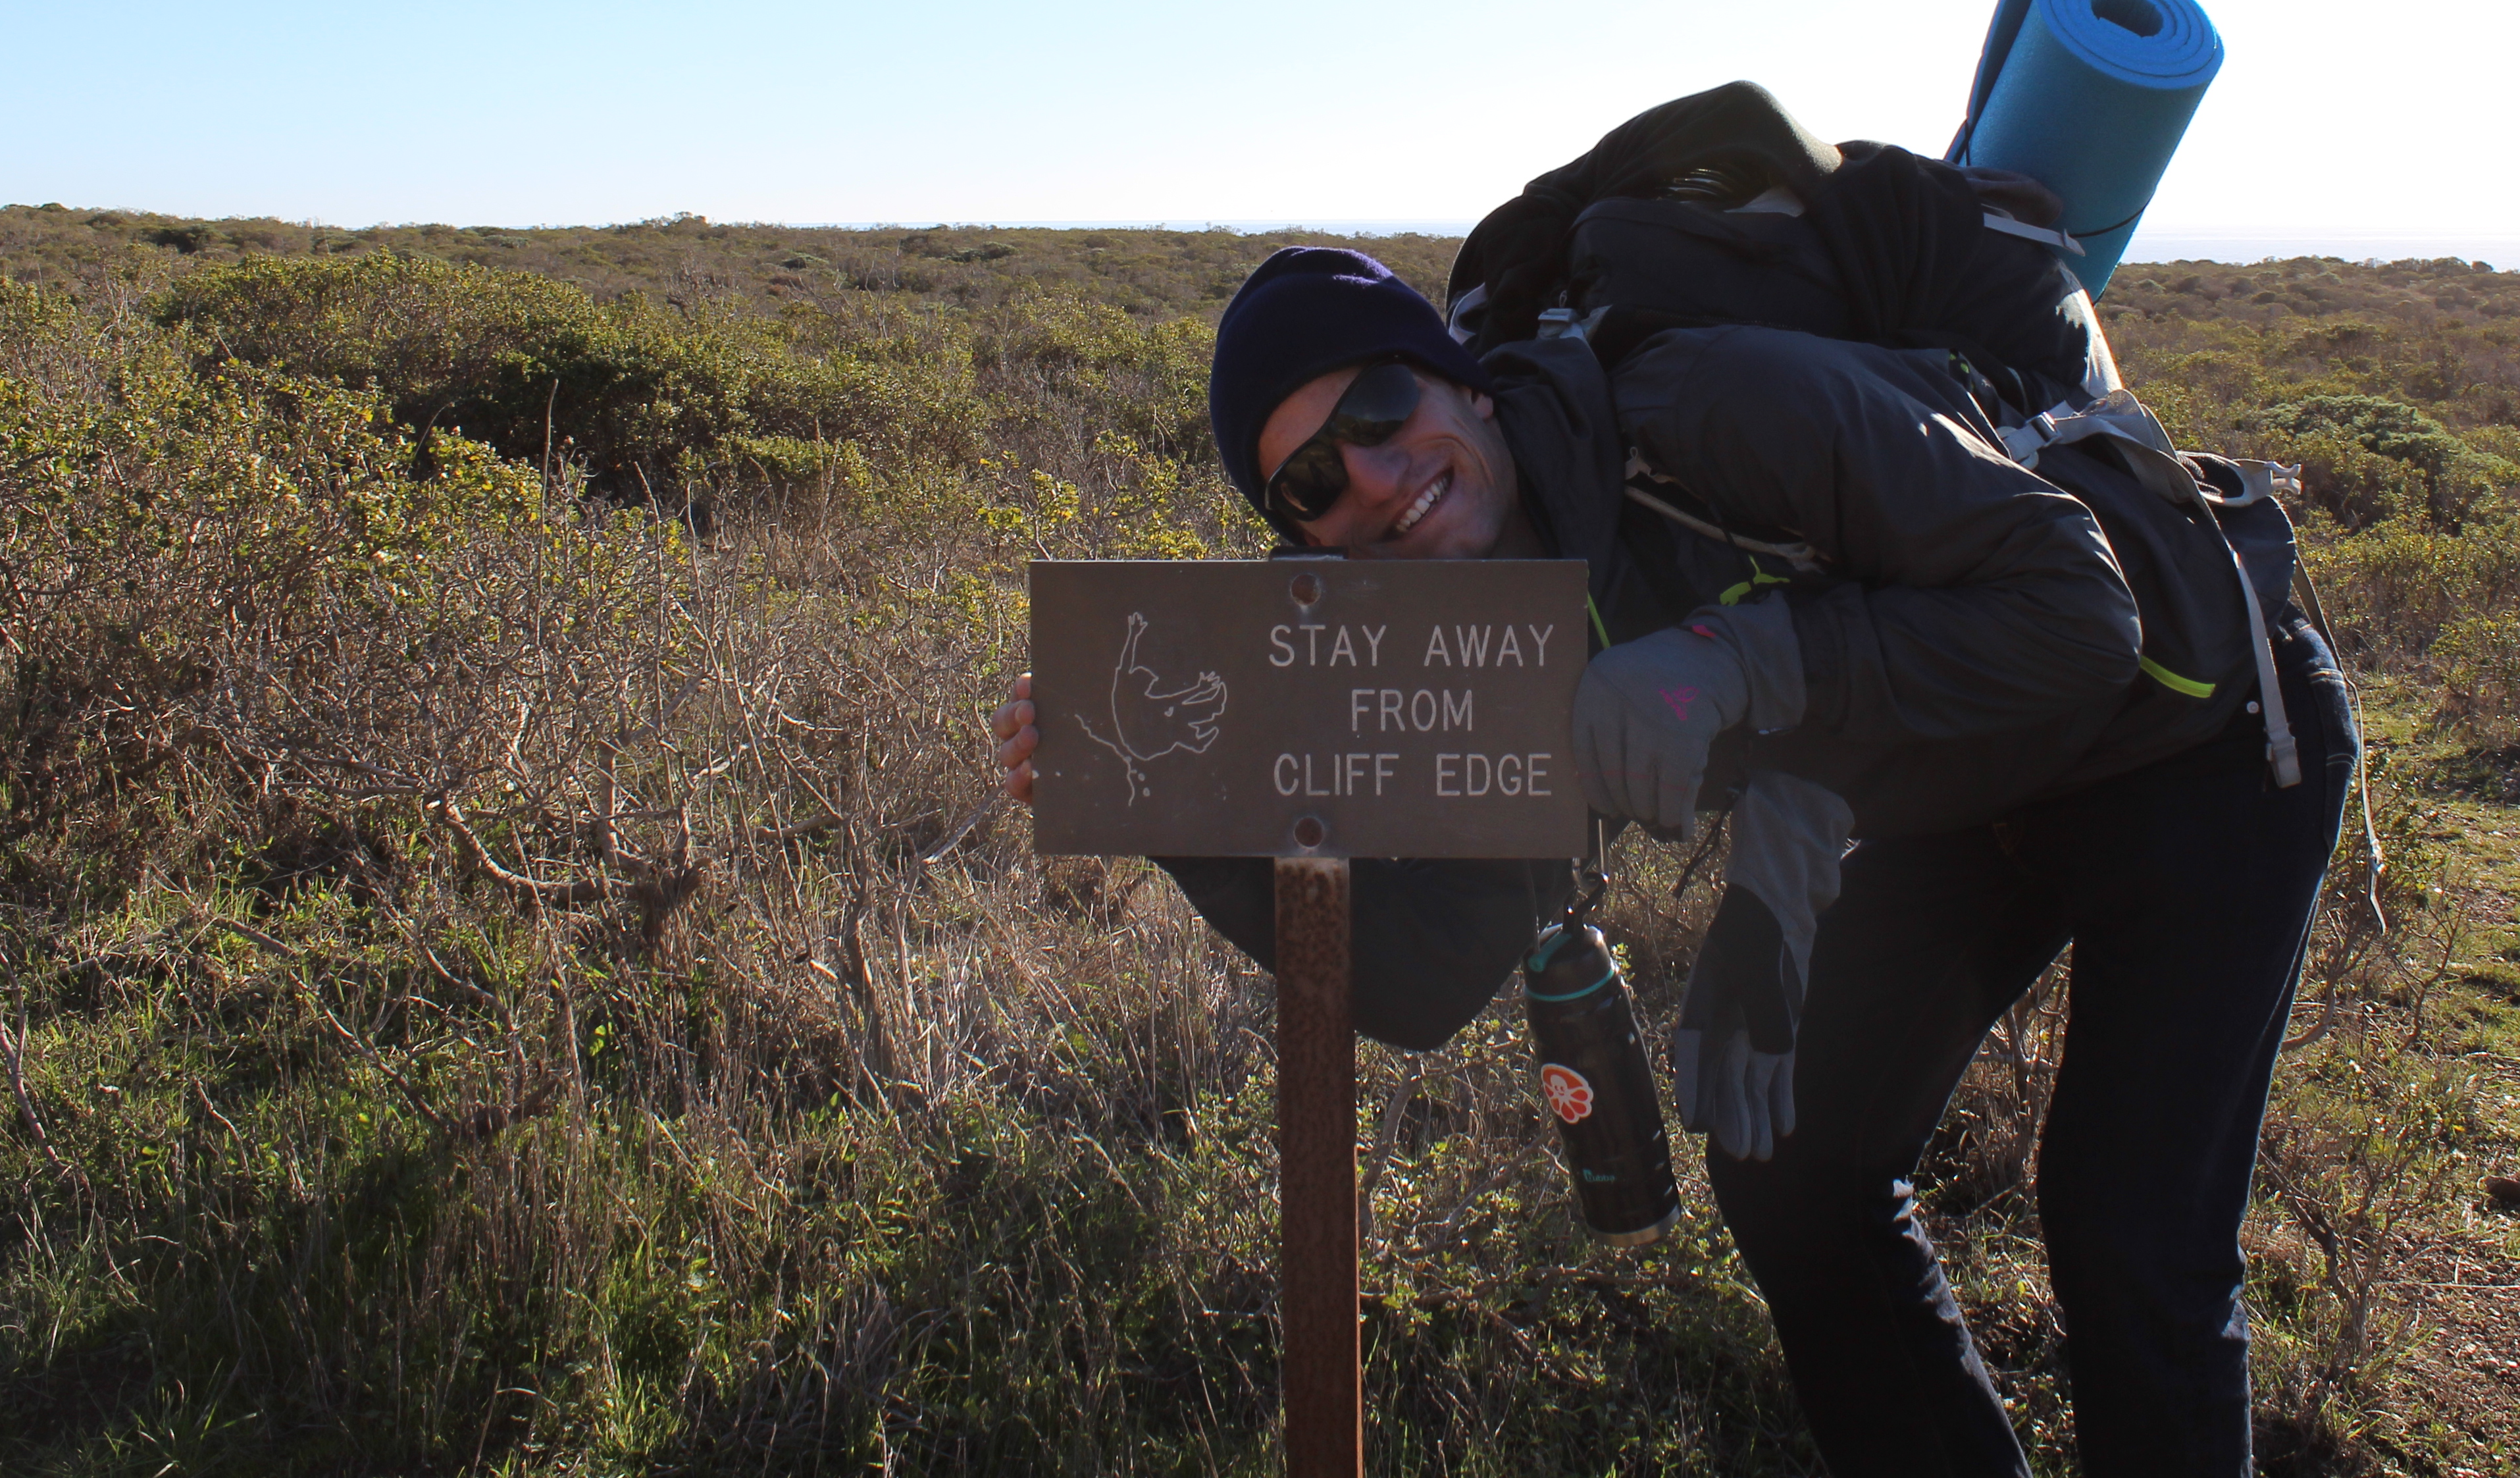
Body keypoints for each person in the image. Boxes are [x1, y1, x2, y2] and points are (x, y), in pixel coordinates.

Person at [992, 246, 2356, 1477]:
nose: (1373, 482)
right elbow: (1418, 981)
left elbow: (2077, 609)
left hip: (2199, 735)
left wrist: (1733, 659)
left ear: (1461, 385)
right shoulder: (1485, 632)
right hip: (1957, 788)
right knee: (1795, 1169)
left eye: (1377, 413)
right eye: (1310, 482)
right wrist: (1172, 803)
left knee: (2131, 1236)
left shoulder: (1712, 406)